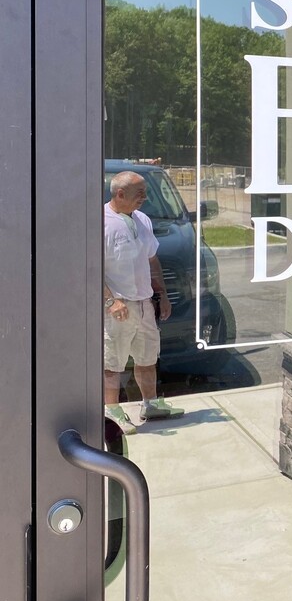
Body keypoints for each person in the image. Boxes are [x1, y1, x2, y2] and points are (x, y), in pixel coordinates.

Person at [104, 170, 184, 430]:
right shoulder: (100, 223)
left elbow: (152, 260)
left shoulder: (142, 220)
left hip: (144, 304)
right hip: (118, 308)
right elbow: (90, 269)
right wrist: (110, 302)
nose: (145, 198)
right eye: (140, 193)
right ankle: (111, 412)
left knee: (148, 357)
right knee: (112, 363)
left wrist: (162, 295)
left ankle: (150, 404)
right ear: (120, 193)